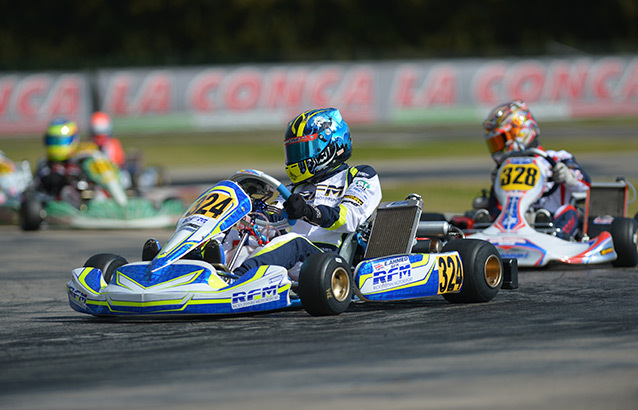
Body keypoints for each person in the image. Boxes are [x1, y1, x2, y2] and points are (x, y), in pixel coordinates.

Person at [230, 107, 383, 279]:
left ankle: (236, 281)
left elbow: (349, 218)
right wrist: (248, 216)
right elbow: (272, 217)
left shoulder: (359, 175)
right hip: (291, 257)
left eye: (303, 150)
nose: (297, 157)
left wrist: (308, 211)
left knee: (294, 242)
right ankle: (206, 272)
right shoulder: (295, 188)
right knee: (234, 235)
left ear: (329, 145)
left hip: (327, 260)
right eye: (293, 151)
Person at [482, 99, 591, 239]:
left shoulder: (558, 158)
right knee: (492, 211)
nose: (497, 148)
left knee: (568, 211)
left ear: (520, 132)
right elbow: (494, 204)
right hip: (513, 220)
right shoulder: (504, 166)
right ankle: (492, 236)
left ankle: (556, 239)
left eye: (500, 141)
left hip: (551, 222)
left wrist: (569, 177)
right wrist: (496, 184)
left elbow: (587, 187)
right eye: (494, 144)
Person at [33, 118, 83, 200]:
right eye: (52, 141)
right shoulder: (44, 165)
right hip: (50, 201)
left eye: (60, 141)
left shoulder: (78, 164)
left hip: (78, 201)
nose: (56, 145)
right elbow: (35, 187)